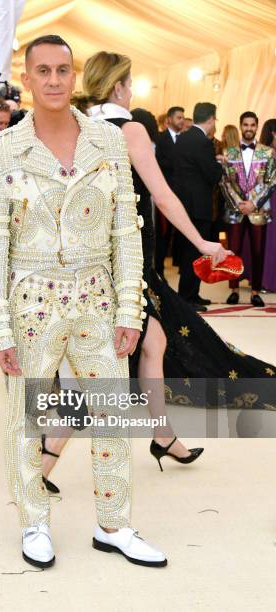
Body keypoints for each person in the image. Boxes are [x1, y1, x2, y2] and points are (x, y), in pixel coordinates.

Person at [0, 34, 169, 569]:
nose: (55, 81)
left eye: (63, 70)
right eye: (44, 71)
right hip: (30, 302)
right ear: (28, 78)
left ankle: (114, 524)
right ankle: (34, 521)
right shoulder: (1, 150)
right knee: (26, 417)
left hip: (97, 300)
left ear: (74, 75)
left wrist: (131, 308)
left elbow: (126, 233)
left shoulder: (107, 142)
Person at [41, 51, 276, 492]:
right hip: (119, 264)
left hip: (82, 258)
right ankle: (44, 462)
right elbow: (163, 196)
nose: (131, 90)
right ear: (118, 86)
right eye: (130, 84)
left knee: (154, 341)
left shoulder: (73, 124)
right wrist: (203, 242)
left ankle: (163, 436)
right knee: (96, 370)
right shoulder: (127, 129)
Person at [220, 112, 276, 306]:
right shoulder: (229, 153)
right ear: (241, 126)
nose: (249, 128)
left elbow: (270, 182)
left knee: (258, 251)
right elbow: (225, 183)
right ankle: (234, 289)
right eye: (246, 125)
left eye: (253, 125)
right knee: (233, 251)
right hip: (235, 210)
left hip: (259, 211)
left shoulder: (268, 153)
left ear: (257, 127)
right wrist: (239, 204)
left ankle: (255, 292)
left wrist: (253, 203)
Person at [175, 102, 223, 309]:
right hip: (199, 205)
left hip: (183, 203)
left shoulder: (182, 138)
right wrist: (220, 164)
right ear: (211, 119)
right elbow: (212, 175)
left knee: (188, 252)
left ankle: (191, 294)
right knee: (195, 253)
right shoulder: (203, 142)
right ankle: (188, 297)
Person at [155, 106, 185, 279]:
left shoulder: (185, 139)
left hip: (182, 193)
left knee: (181, 233)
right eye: (178, 117)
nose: (181, 120)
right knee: (162, 235)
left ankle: (181, 267)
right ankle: (159, 270)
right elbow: (160, 163)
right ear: (169, 120)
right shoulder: (161, 139)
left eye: (183, 117)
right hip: (165, 192)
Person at [260, 118, 276, 292]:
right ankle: (268, 280)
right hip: (272, 197)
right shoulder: (271, 152)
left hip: (265, 198)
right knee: (271, 239)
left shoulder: (263, 151)